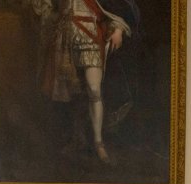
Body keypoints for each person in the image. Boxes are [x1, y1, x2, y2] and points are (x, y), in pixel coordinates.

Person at [37, 0, 139, 163]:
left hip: (91, 36)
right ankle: (78, 138)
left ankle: (98, 143)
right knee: (71, 92)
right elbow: (47, 8)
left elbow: (118, 6)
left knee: (94, 89)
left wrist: (118, 29)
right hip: (64, 40)